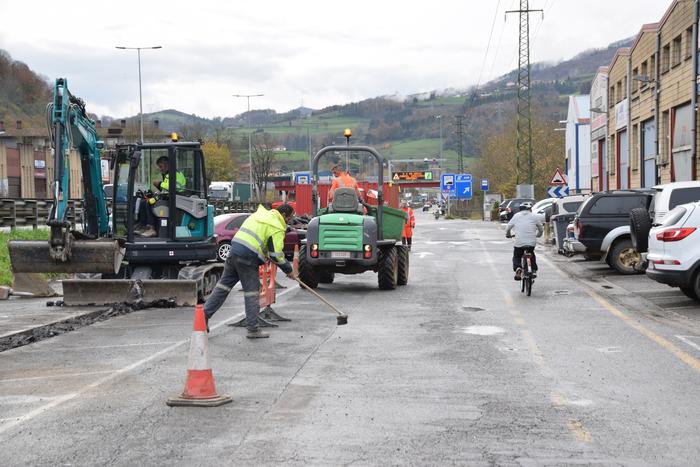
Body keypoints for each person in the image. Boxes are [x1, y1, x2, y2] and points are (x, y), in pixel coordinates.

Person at [203, 203, 297, 338]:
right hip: (247, 257)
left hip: (234, 250)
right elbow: (276, 255)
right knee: (252, 293)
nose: (290, 221)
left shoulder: (261, 215)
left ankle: (204, 316)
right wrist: (289, 270)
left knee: (223, 287)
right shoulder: (276, 225)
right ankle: (253, 329)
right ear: (283, 215)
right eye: (290, 217)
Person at [505, 201, 543, 280]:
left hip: (519, 242)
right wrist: (539, 234)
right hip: (531, 242)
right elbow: (540, 228)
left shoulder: (516, 216)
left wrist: (508, 234)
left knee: (517, 255)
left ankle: (518, 267)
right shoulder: (534, 216)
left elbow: (508, 227)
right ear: (530, 209)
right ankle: (534, 269)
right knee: (531, 253)